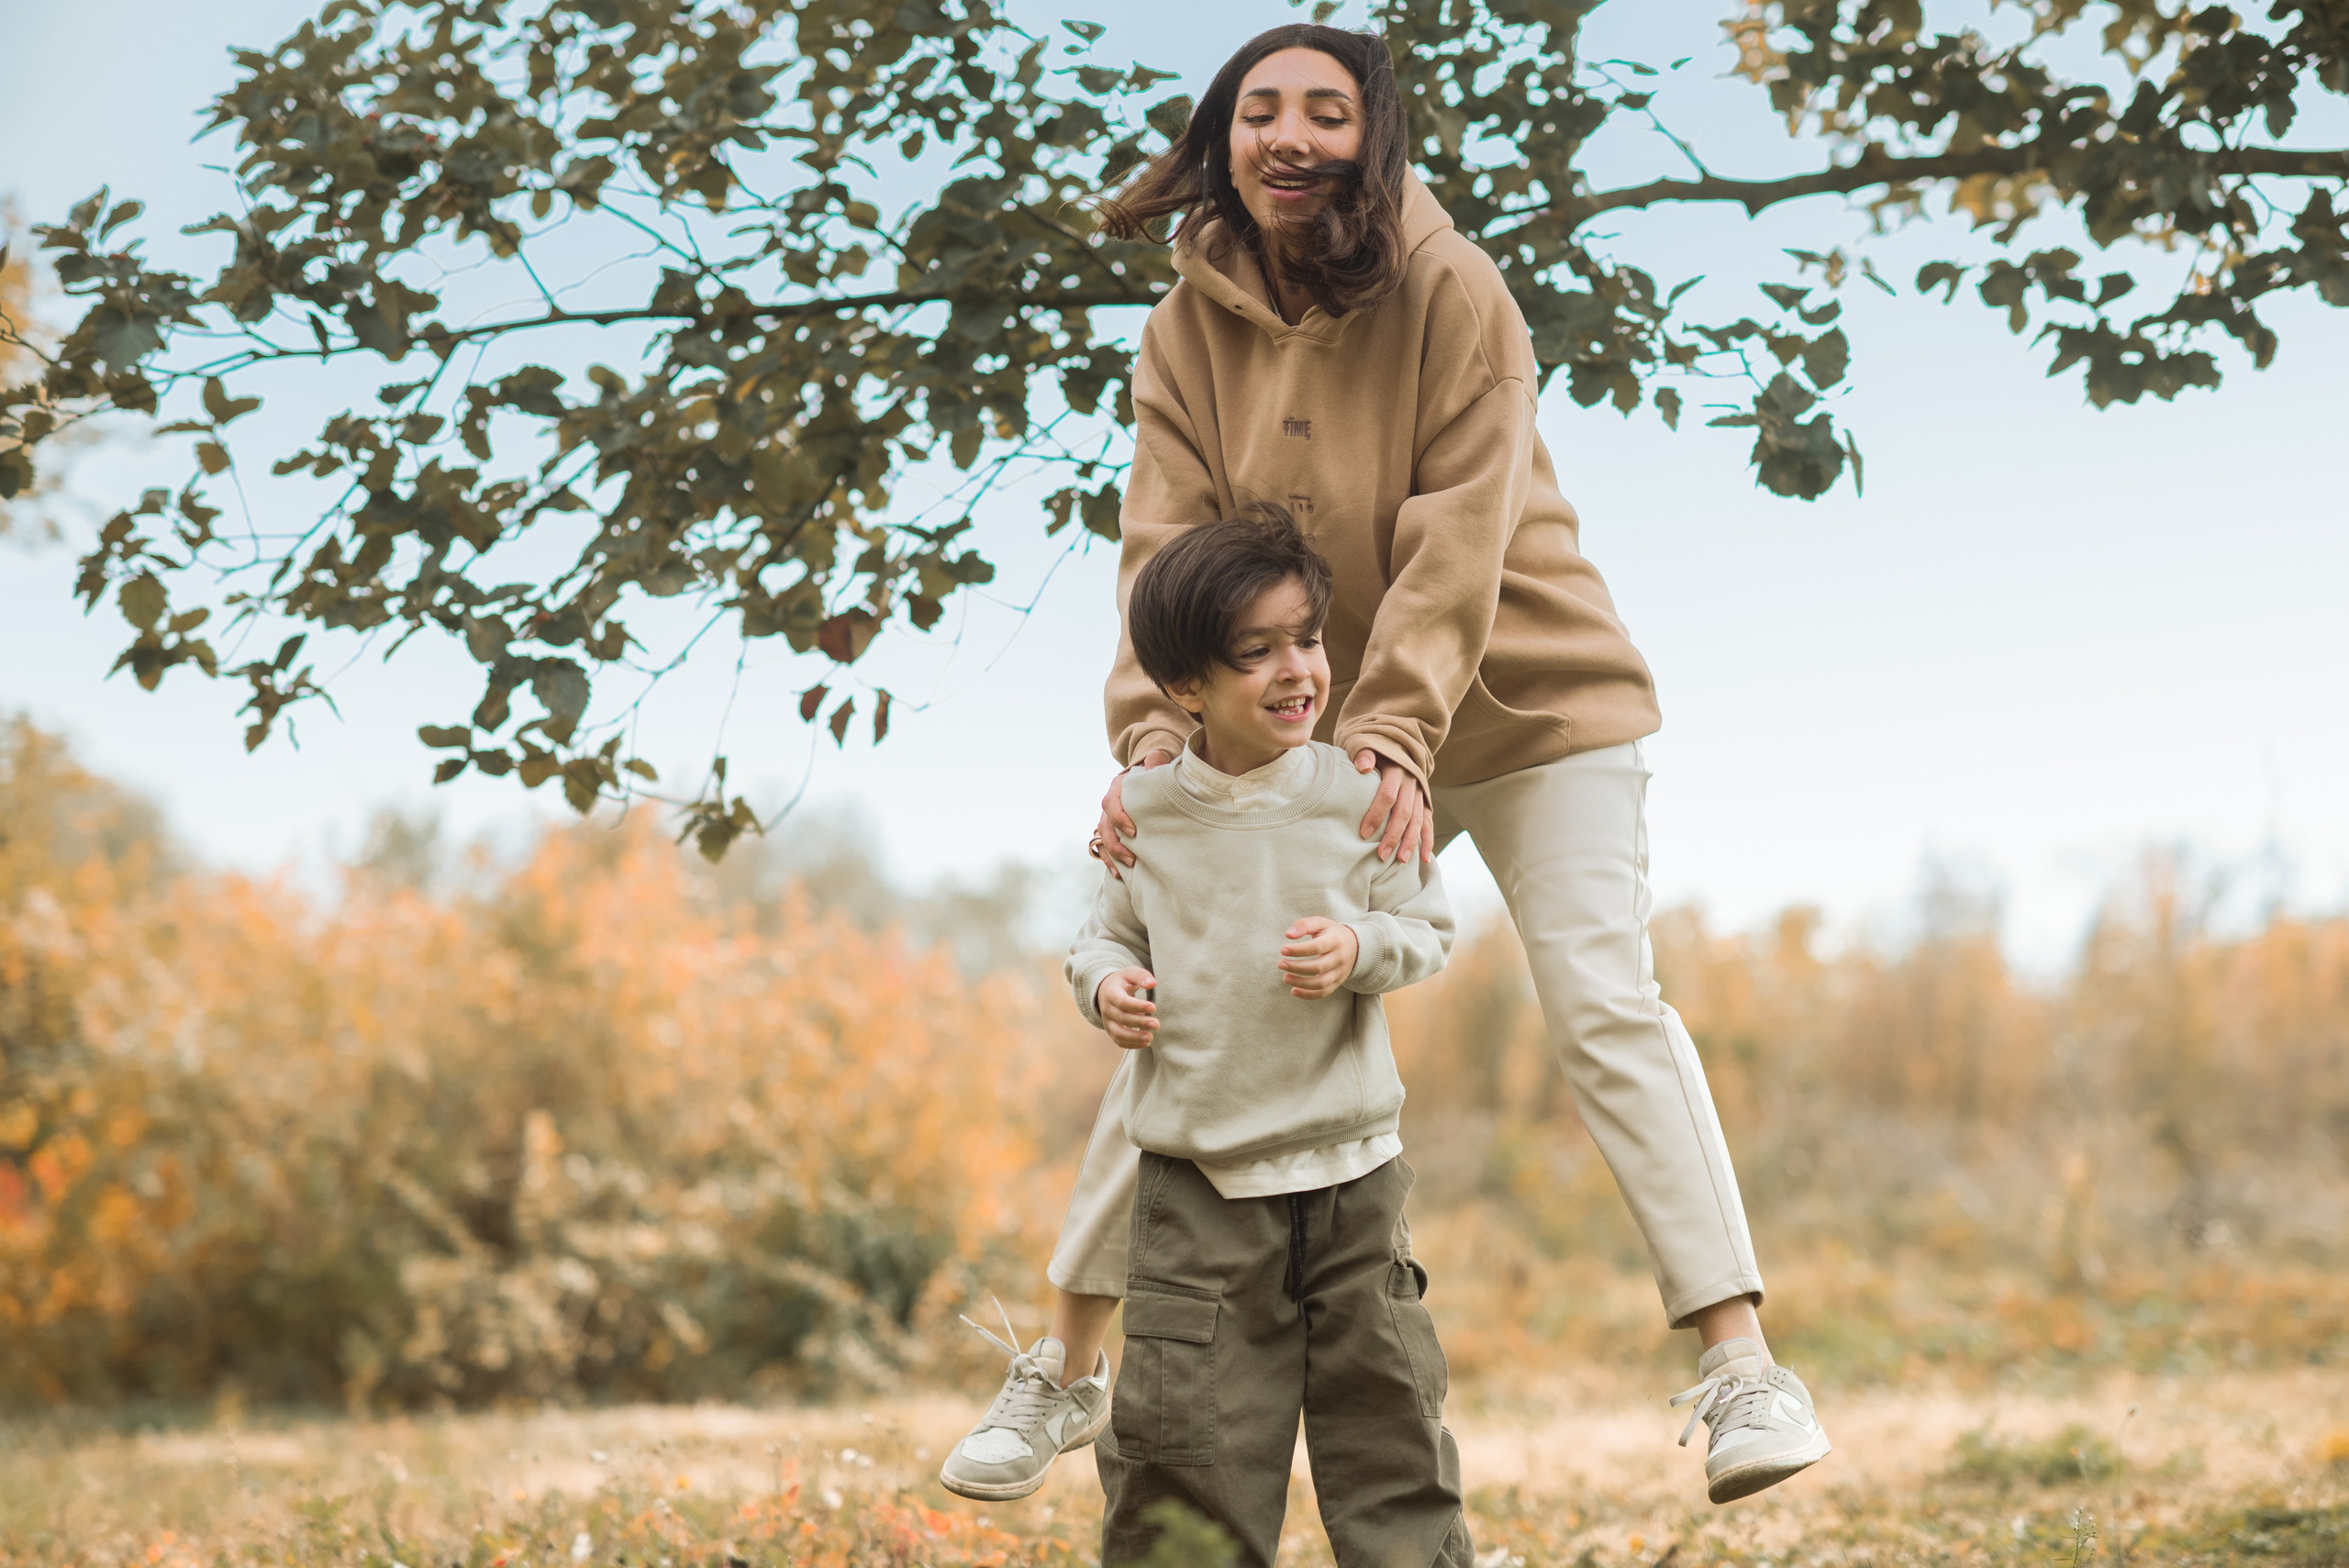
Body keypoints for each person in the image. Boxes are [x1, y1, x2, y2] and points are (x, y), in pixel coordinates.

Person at [940, 21, 1829, 1514]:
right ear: (1223, 136)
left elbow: (1453, 535)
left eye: (1327, 112)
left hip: (1528, 704)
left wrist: (1396, 734)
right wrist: (1157, 738)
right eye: (1261, 110)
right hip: (1309, 724)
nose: (1291, 135)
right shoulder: (1184, 333)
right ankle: (1072, 1367)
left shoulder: (1454, 290)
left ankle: (1744, 1364)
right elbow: (1163, 547)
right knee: (1192, 997)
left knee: (1606, 997)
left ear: (1376, 137)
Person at [982, 508, 1469, 1568]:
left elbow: (1428, 928)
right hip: (1195, 1186)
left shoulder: (1358, 795)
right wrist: (1108, 987)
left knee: (1388, 1422)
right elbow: (1097, 939)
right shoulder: (1144, 813)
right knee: (1183, 1439)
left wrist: (1356, 946)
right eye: (1257, 652)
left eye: (1307, 638)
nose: (1297, 670)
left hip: (1352, 1178)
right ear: (1185, 688)